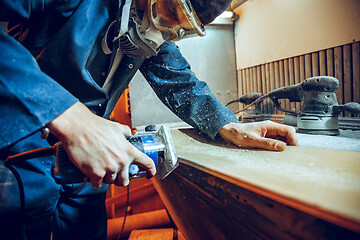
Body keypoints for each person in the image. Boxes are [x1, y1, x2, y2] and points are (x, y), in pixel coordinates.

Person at [0, 0, 298, 239]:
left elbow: (182, 84)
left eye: (185, 27)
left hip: (91, 160)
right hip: (23, 144)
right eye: (173, 11)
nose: (170, 29)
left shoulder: (146, 30)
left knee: (86, 230)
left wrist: (229, 125)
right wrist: (72, 117)